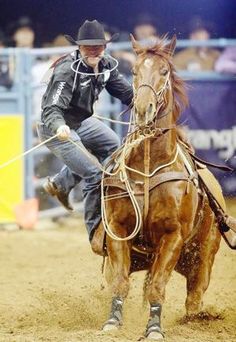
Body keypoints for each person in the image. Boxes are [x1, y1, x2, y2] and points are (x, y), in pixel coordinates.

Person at [37, 20, 133, 245]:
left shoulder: (107, 65)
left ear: (105, 47)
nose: (93, 51)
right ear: (79, 48)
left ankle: (61, 183)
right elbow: (51, 109)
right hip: (56, 127)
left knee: (113, 145)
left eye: (98, 46)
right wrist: (60, 125)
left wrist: (147, 102)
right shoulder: (65, 70)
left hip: (82, 121)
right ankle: (96, 232)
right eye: (88, 47)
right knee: (95, 174)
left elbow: (127, 94)